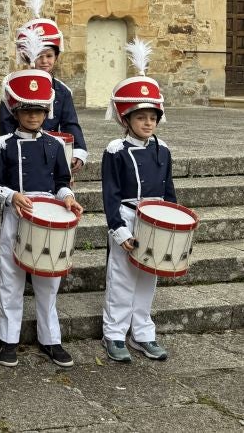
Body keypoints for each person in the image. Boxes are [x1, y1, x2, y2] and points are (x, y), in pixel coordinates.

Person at [0, 39, 83, 369]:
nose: (33, 116)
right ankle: (8, 339)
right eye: (27, 111)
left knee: (48, 282)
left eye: (39, 111)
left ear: (46, 113)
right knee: (11, 280)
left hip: (48, 220)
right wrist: (11, 196)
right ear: (16, 113)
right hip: (16, 216)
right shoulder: (0, 145)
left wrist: (68, 199)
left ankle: (50, 338)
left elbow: (61, 182)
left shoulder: (56, 147)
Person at [101, 38, 175, 363]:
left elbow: (169, 191)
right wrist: (119, 230)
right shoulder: (115, 150)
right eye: (140, 117)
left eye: (152, 117)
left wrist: (173, 223)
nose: (148, 123)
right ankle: (114, 334)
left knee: (148, 280)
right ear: (126, 120)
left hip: (157, 221)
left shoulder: (164, 150)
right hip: (128, 219)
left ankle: (143, 333)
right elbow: (110, 195)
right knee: (122, 279)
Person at [0, 0, 87, 171]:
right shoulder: (12, 88)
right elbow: (6, 125)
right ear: (28, 56)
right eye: (39, 56)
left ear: (56, 57)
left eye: (49, 56)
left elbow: (70, 123)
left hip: (54, 155)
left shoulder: (62, 91)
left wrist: (78, 150)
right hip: (21, 154)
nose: (45, 61)